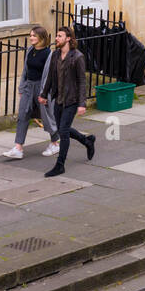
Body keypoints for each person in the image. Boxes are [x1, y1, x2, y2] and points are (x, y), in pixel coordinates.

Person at [39, 25, 96, 177]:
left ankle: (60, 165)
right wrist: (44, 94)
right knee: (62, 129)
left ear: (68, 38)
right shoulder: (56, 55)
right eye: (57, 36)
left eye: (60, 36)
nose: (56, 38)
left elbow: (82, 81)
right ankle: (87, 141)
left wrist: (82, 103)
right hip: (58, 98)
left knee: (63, 132)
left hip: (72, 100)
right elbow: (51, 76)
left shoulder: (77, 57)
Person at [3, 26, 61, 159]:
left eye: (34, 35)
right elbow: (25, 71)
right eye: (30, 35)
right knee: (22, 115)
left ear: (41, 37)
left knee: (47, 117)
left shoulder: (49, 54)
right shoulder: (30, 50)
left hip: (42, 88)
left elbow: (49, 75)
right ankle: (18, 148)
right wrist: (22, 88)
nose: (31, 38)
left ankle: (55, 143)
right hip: (29, 87)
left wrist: (44, 94)